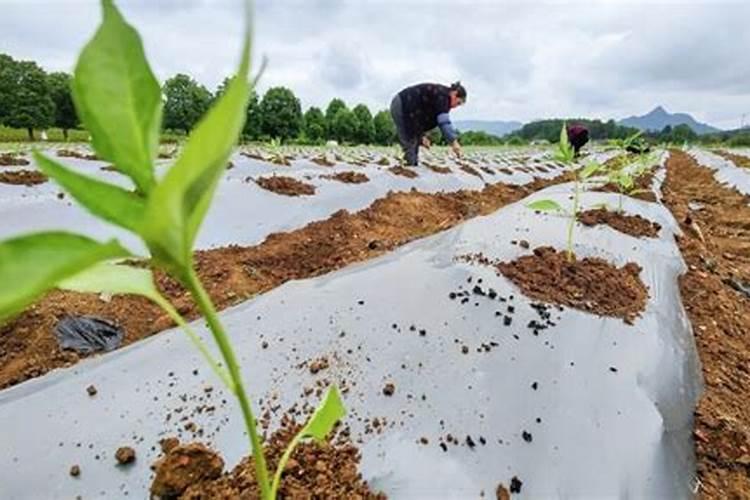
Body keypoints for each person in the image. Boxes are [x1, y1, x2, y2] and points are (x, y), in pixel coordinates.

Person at [390, 82, 466, 166]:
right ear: (454, 94)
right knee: (410, 142)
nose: (455, 106)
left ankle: (409, 166)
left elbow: (420, 117)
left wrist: (422, 136)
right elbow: (444, 122)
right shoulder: (443, 96)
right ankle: (409, 169)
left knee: (413, 143)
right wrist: (454, 142)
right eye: (458, 103)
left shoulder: (441, 97)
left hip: (410, 112)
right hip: (402, 105)